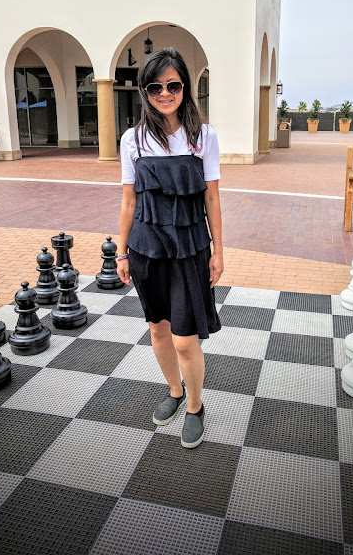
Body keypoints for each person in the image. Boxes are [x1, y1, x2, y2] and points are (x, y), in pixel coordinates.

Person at [118, 46, 223, 449]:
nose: (165, 93)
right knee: (158, 329)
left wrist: (218, 250)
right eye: (155, 87)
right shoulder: (133, 139)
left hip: (190, 247)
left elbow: (212, 197)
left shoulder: (203, 136)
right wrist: (122, 252)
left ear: (185, 87)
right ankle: (175, 391)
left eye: (173, 85)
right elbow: (128, 202)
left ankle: (195, 406)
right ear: (144, 91)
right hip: (146, 248)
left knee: (184, 338)